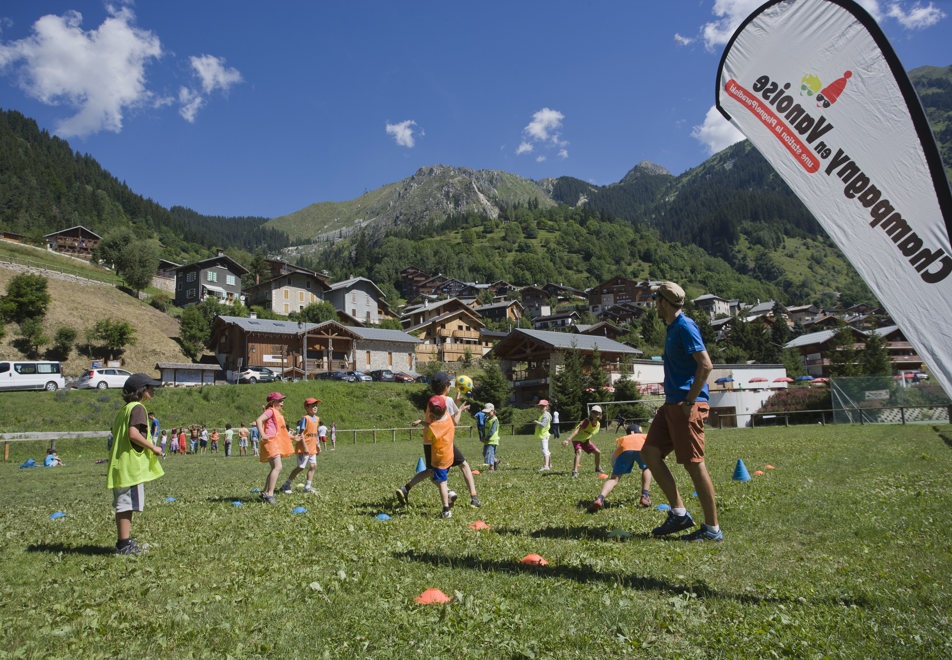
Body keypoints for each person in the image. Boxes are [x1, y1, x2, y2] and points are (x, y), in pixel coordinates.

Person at [641, 281, 721, 542]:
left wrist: (690, 402)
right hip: (671, 404)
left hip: (686, 405)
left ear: (663, 302)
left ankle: (712, 530)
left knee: (694, 465)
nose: (654, 305)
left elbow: (706, 365)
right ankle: (679, 513)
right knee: (650, 453)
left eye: (656, 300)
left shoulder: (685, 326)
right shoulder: (672, 328)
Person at [394, 371, 481, 514]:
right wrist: (459, 409)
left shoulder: (433, 400)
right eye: (449, 384)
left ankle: (406, 488)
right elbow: (453, 422)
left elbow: (441, 415)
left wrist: (455, 404)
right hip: (442, 441)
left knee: (431, 470)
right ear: (446, 386)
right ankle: (474, 498)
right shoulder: (447, 400)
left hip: (429, 439)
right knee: (463, 465)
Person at [106, 373, 164, 555]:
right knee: (126, 505)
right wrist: (153, 448)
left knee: (125, 504)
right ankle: (123, 545)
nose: (153, 391)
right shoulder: (138, 408)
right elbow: (133, 434)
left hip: (121, 464)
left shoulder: (125, 409)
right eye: (150, 387)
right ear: (142, 390)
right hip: (129, 466)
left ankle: (125, 541)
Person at [588, 424, 653, 513]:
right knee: (646, 468)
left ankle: (600, 498)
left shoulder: (624, 439)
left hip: (624, 450)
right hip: (641, 449)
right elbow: (653, 446)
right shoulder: (643, 436)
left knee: (614, 479)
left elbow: (614, 456)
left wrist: (615, 467)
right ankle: (645, 496)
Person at [255, 392, 294, 504]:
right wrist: (263, 434)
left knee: (274, 468)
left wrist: (293, 437)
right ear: (272, 403)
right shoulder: (270, 411)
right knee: (278, 467)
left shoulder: (278, 415)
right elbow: (258, 420)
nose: (282, 403)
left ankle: (265, 492)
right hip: (271, 442)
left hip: (275, 443)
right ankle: (270, 494)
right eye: (280, 401)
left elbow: (283, 432)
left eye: (282, 400)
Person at [280, 397, 321, 494]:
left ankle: (307, 486)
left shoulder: (316, 418)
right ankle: (286, 485)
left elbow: (315, 433)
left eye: (316, 406)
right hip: (304, 447)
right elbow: (301, 433)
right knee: (301, 467)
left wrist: (317, 445)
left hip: (312, 447)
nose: (315, 407)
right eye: (313, 406)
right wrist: (305, 447)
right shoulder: (305, 419)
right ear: (307, 408)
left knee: (313, 465)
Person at [563, 405, 603, 477]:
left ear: (600, 415)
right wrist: (568, 439)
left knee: (598, 452)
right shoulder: (586, 421)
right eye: (593, 412)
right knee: (579, 452)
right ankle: (575, 471)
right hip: (577, 439)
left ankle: (597, 468)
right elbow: (577, 431)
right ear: (591, 413)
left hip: (585, 440)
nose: (594, 414)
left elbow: (590, 433)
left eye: (597, 413)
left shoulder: (598, 425)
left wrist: (588, 440)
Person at [480, 403, 501, 470]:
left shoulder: (495, 420)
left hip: (492, 440)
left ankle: (491, 468)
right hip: (487, 440)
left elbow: (492, 430)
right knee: (485, 453)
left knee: (489, 453)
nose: (487, 414)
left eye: (488, 412)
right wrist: (482, 436)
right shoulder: (487, 419)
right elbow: (484, 429)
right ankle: (495, 461)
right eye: (486, 412)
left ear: (493, 411)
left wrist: (487, 438)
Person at [534, 399, 553, 471]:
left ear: (547, 407)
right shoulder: (545, 414)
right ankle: (549, 464)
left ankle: (546, 466)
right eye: (540, 406)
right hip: (545, 435)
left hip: (544, 435)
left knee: (545, 451)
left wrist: (536, 422)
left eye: (543, 406)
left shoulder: (545, 415)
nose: (541, 407)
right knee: (547, 450)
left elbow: (544, 425)